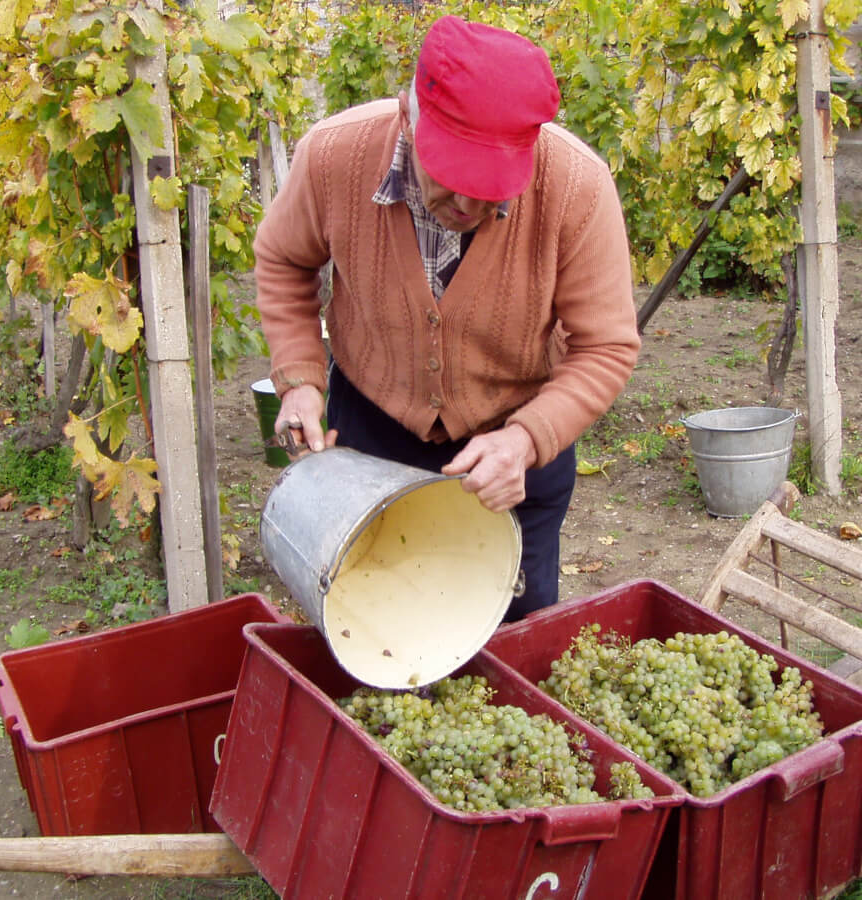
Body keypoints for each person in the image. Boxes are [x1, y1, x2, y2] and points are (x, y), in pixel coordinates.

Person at [253, 15, 640, 621]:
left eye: (491, 190)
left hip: (512, 459)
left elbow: (608, 346)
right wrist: (300, 381)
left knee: (510, 642)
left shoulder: (577, 187)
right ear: (408, 116)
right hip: (372, 443)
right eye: (453, 178)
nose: (466, 205)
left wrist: (525, 440)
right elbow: (281, 258)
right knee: (377, 626)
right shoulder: (334, 157)